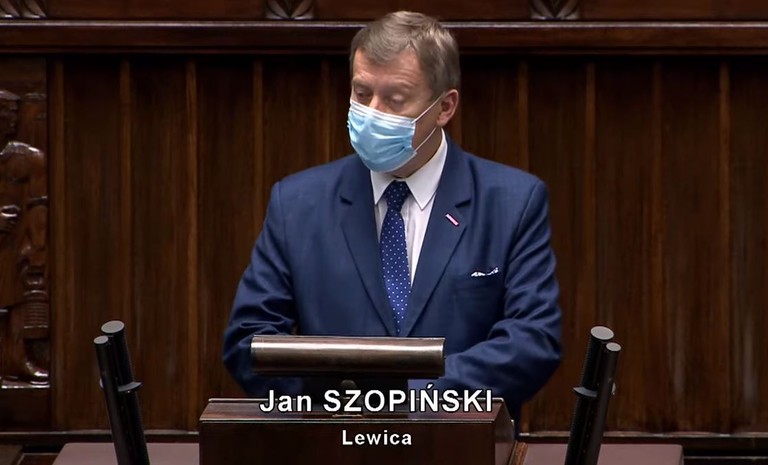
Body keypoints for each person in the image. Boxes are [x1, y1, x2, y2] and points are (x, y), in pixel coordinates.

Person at [223, 11, 562, 422]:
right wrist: (340, 408)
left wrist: (412, 401)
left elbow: (531, 341)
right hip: (332, 441)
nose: (373, 112)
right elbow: (249, 340)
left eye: (395, 100)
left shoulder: (512, 202)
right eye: (362, 93)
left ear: (444, 107)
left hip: (457, 441)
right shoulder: (296, 204)